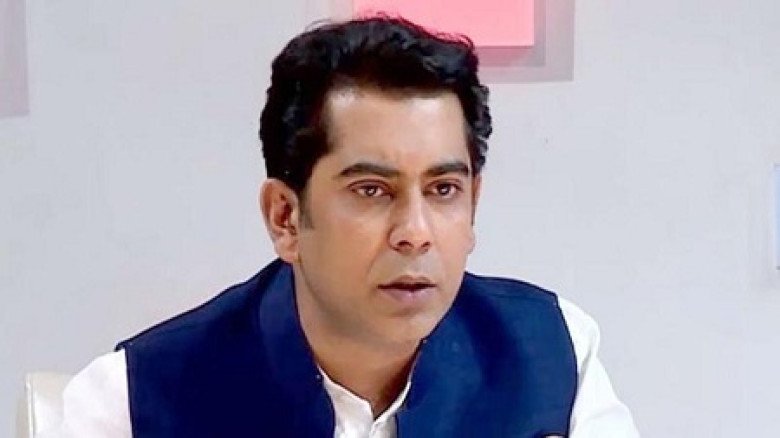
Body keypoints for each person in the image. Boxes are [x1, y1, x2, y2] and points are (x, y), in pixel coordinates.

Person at [47, 16, 639, 438]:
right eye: (372, 191)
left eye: (442, 190)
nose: (415, 233)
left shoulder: (554, 355)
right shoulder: (130, 402)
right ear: (285, 217)